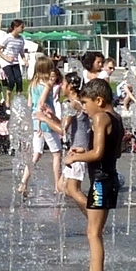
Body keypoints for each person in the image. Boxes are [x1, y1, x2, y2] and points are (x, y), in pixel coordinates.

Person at [63, 79, 123, 271]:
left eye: (86, 103)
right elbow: (112, 152)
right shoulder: (115, 117)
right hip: (108, 179)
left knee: (93, 234)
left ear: (99, 100)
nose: (84, 109)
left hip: (101, 182)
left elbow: (97, 154)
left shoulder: (99, 117)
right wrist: (83, 149)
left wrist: (76, 156)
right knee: (93, 232)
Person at [35, 72, 89, 215]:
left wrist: (44, 119)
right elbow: (65, 127)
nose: (61, 87)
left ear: (70, 87)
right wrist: (51, 116)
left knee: (73, 190)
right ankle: (93, 218)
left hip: (79, 152)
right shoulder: (76, 103)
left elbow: (62, 131)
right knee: (60, 186)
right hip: (76, 151)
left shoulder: (71, 104)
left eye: (63, 84)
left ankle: (94, 218)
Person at [19, 55, 63, 196]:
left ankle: (23, 183)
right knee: (57, 154)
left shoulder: (33, 84)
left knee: (36, 154)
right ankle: (58, 185)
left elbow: (29, 105)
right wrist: (39, 124)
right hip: (44, 122)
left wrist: (33, 123)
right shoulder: (46, 85)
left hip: (35, 121)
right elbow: (40, 105)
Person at [0, 19, 26, 103]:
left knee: (19, 80)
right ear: (15, 27)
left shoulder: (21, 39)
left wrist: (25, 60)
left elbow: (21, 52)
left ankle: (18, 100)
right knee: (12, 80)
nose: (23, 29)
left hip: (15, 62)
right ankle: (8, 101)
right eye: (22, 27)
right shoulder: (8, 37)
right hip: (6, 62)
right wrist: (6, 58)